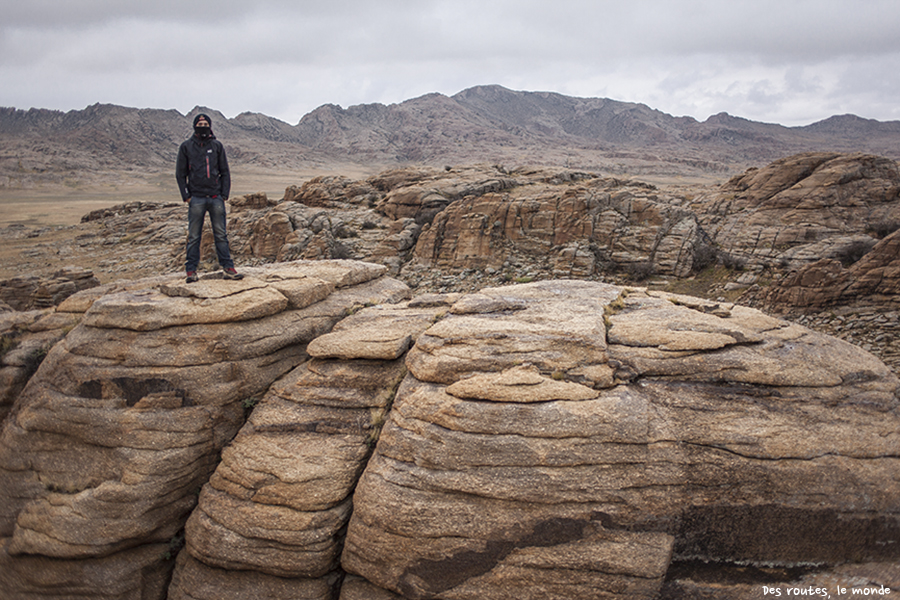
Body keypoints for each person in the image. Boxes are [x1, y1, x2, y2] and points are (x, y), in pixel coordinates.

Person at [176, 113, 243, 283]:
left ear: (210, 126)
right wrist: (187, 197)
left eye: (206, 123)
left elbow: (225, 171)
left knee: (221, 234)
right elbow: (180, 174)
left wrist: (224, 194)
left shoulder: (217, 146)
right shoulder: (186, 147)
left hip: (215, 198)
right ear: (195, 126)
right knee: (194, 236)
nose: (203, 126)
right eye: (200, 123)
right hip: (196, 198)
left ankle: (228, 268)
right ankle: (191, 271)